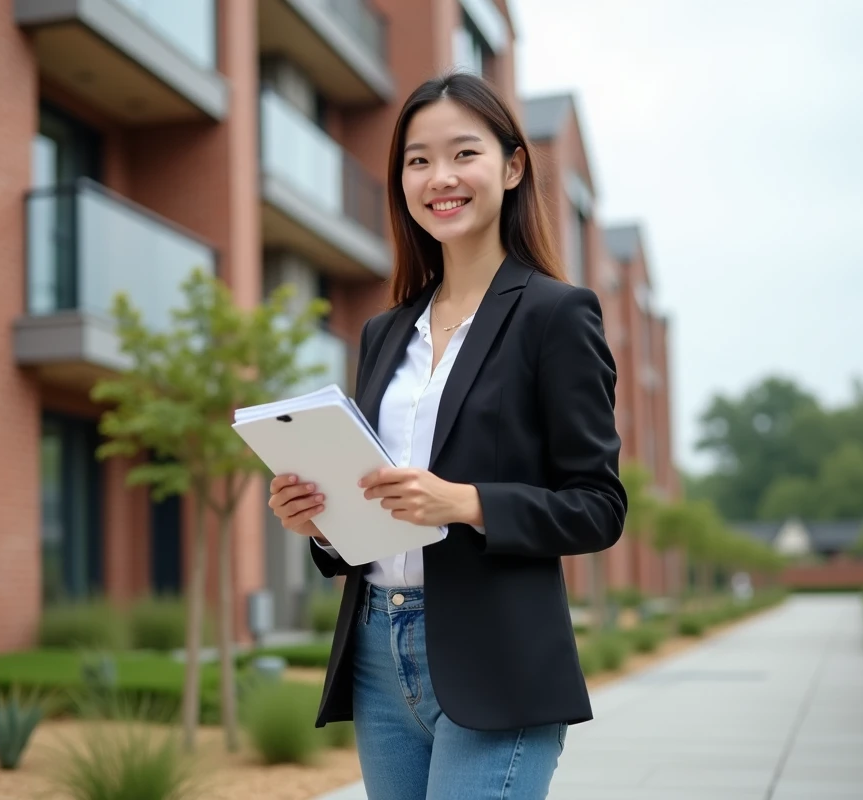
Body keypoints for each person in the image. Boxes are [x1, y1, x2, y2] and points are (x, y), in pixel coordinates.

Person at [267, 71, 628, 800]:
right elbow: (378, 499)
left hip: (498, 655)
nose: (440, 178)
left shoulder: (556, 316)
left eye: (464, 154)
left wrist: (466, 503)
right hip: (375, 645)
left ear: (513, 166)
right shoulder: (383, 331)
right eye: (418, 160)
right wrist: (322, 522)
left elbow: (598, 504)